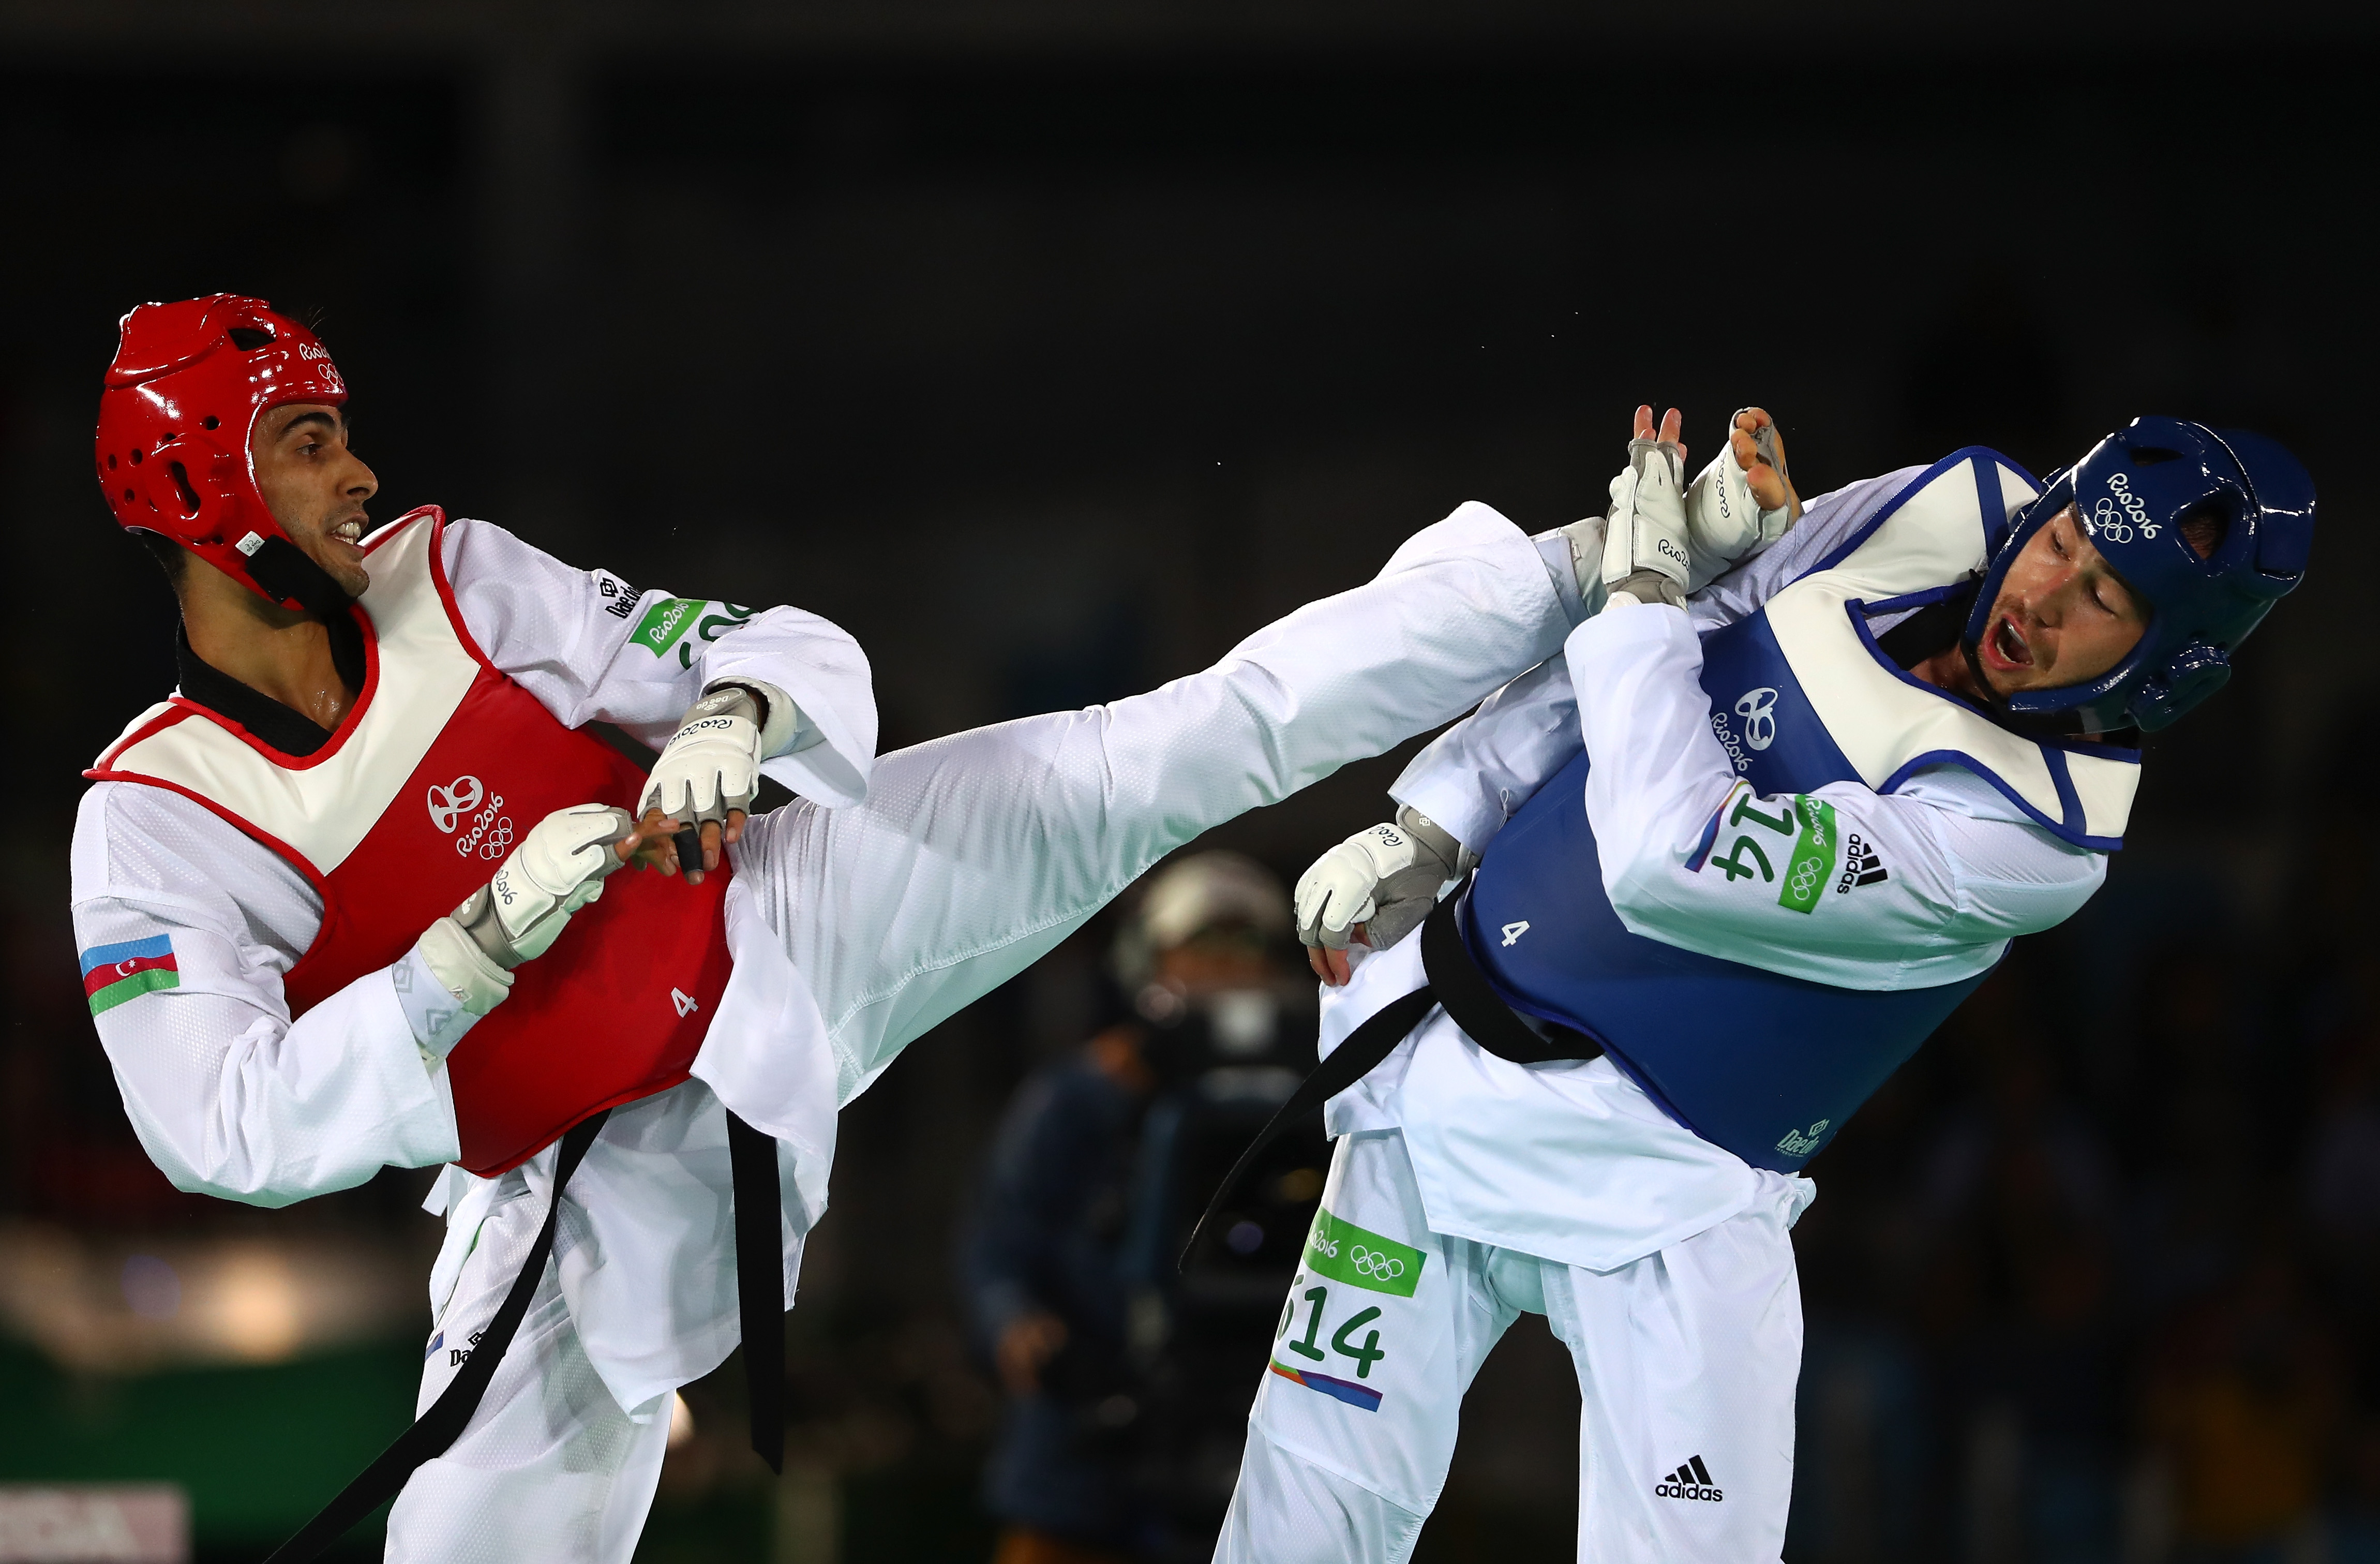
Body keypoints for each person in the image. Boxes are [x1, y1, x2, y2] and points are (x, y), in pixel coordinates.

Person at [70, 295, 1727, 1561]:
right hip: (570, 1176)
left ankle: (1597, 561)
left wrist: (728, 711)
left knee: (1168, 745)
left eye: (342, 428)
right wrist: (461, 959)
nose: (356, 466)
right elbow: (219, 1126)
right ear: (196, 482)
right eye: (303, 441)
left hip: (783, 919)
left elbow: (778, 640)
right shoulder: (156, 819)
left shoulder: (458, 572)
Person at [1209, 406, 2317, 1562]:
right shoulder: (1947, 511)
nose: (2041, 596)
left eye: (2104, 600)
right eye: (2063, 542)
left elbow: (1668, 851)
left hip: (1669, 1202)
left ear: (2169, 665)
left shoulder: (2034, 842)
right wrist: (1443, 818)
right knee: (1296, 1528)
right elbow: (1706, 613)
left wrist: (1640, 604)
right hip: (1438, 1083)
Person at [963, 853, 1321, 1563]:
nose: (1224, 968)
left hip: (1267, 1416)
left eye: (1244, 946)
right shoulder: (1080, 1093)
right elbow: (999, 1240)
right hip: (1093, 1429)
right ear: (1147, 960)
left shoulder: (1321, 1095)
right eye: (1201, 945)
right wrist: (1018, 1327)